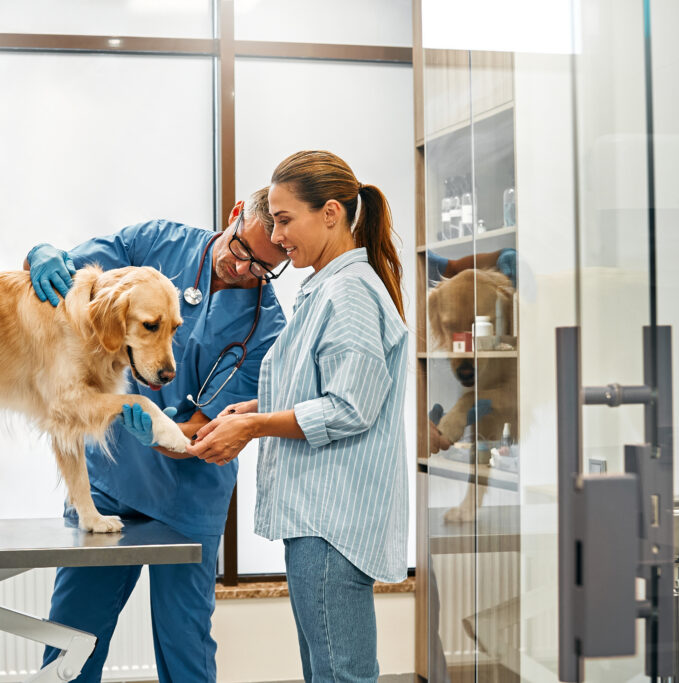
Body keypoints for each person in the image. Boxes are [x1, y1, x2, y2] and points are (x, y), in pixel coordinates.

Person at [23, 189, 288, 683]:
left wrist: (159, 429)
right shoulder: (154, 244)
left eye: (265, 268)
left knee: (185, 643)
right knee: (71, 637)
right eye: (242, 250)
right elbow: (77, 283)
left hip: (190, 496)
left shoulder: (266, 327)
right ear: (234, 217)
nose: (245, 270)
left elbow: (210, 427)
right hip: (109, 484)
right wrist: (42, 253)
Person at [186, 151, 409, 683]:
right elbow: (326, 385)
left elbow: (350, 407)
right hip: (319, 517)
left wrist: (256, 427)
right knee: (325, 671)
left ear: (331, 213)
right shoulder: (327, 286)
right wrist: (256, 406)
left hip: (332, 520)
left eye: (285, 220)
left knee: (340, 674)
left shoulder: (350, 292)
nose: (277, 236)